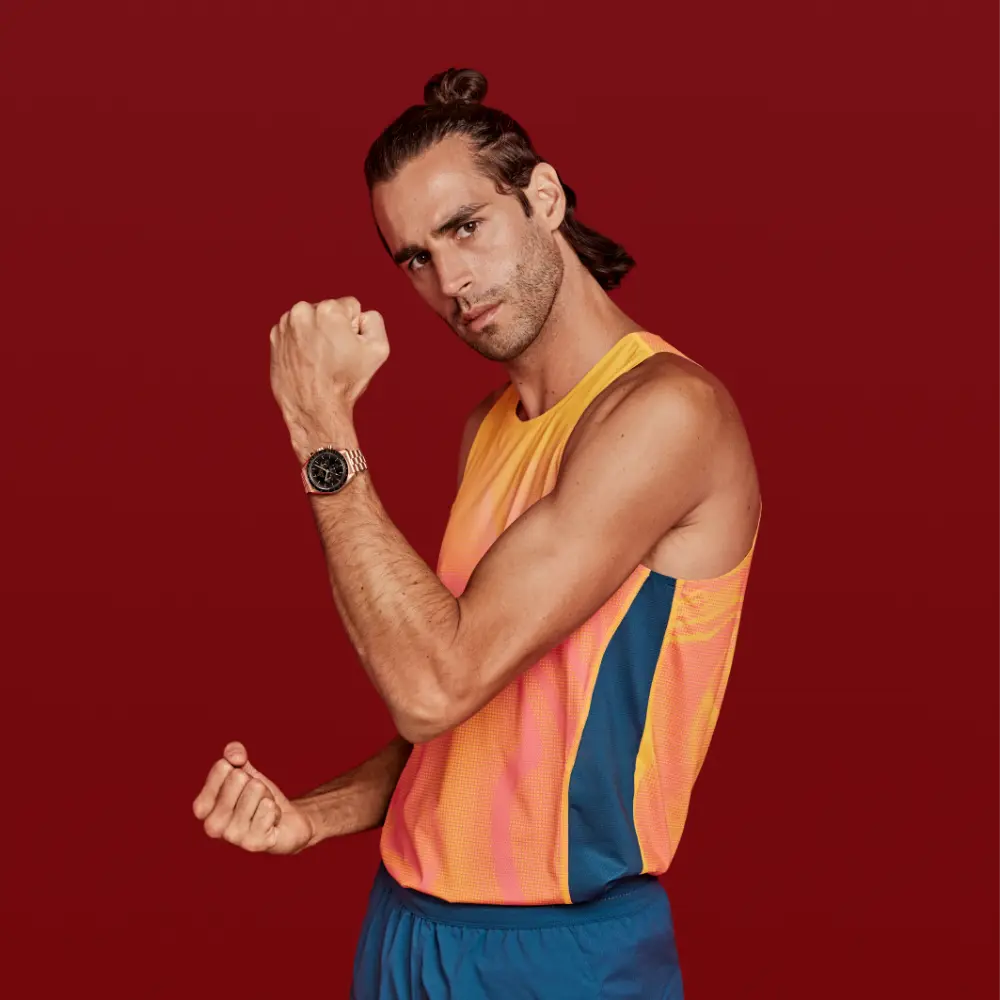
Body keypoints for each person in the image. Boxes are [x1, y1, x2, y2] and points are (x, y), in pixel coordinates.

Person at [192, 67, 761, 999]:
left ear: (544, 198)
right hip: (406, 926)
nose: (450, 281)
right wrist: (314, 815)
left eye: (465, 227)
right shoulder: (488, 427)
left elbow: (433, 686)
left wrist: (319, 425)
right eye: (414, 258)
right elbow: (469, 715)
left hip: (557, 953)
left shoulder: (668, 414)